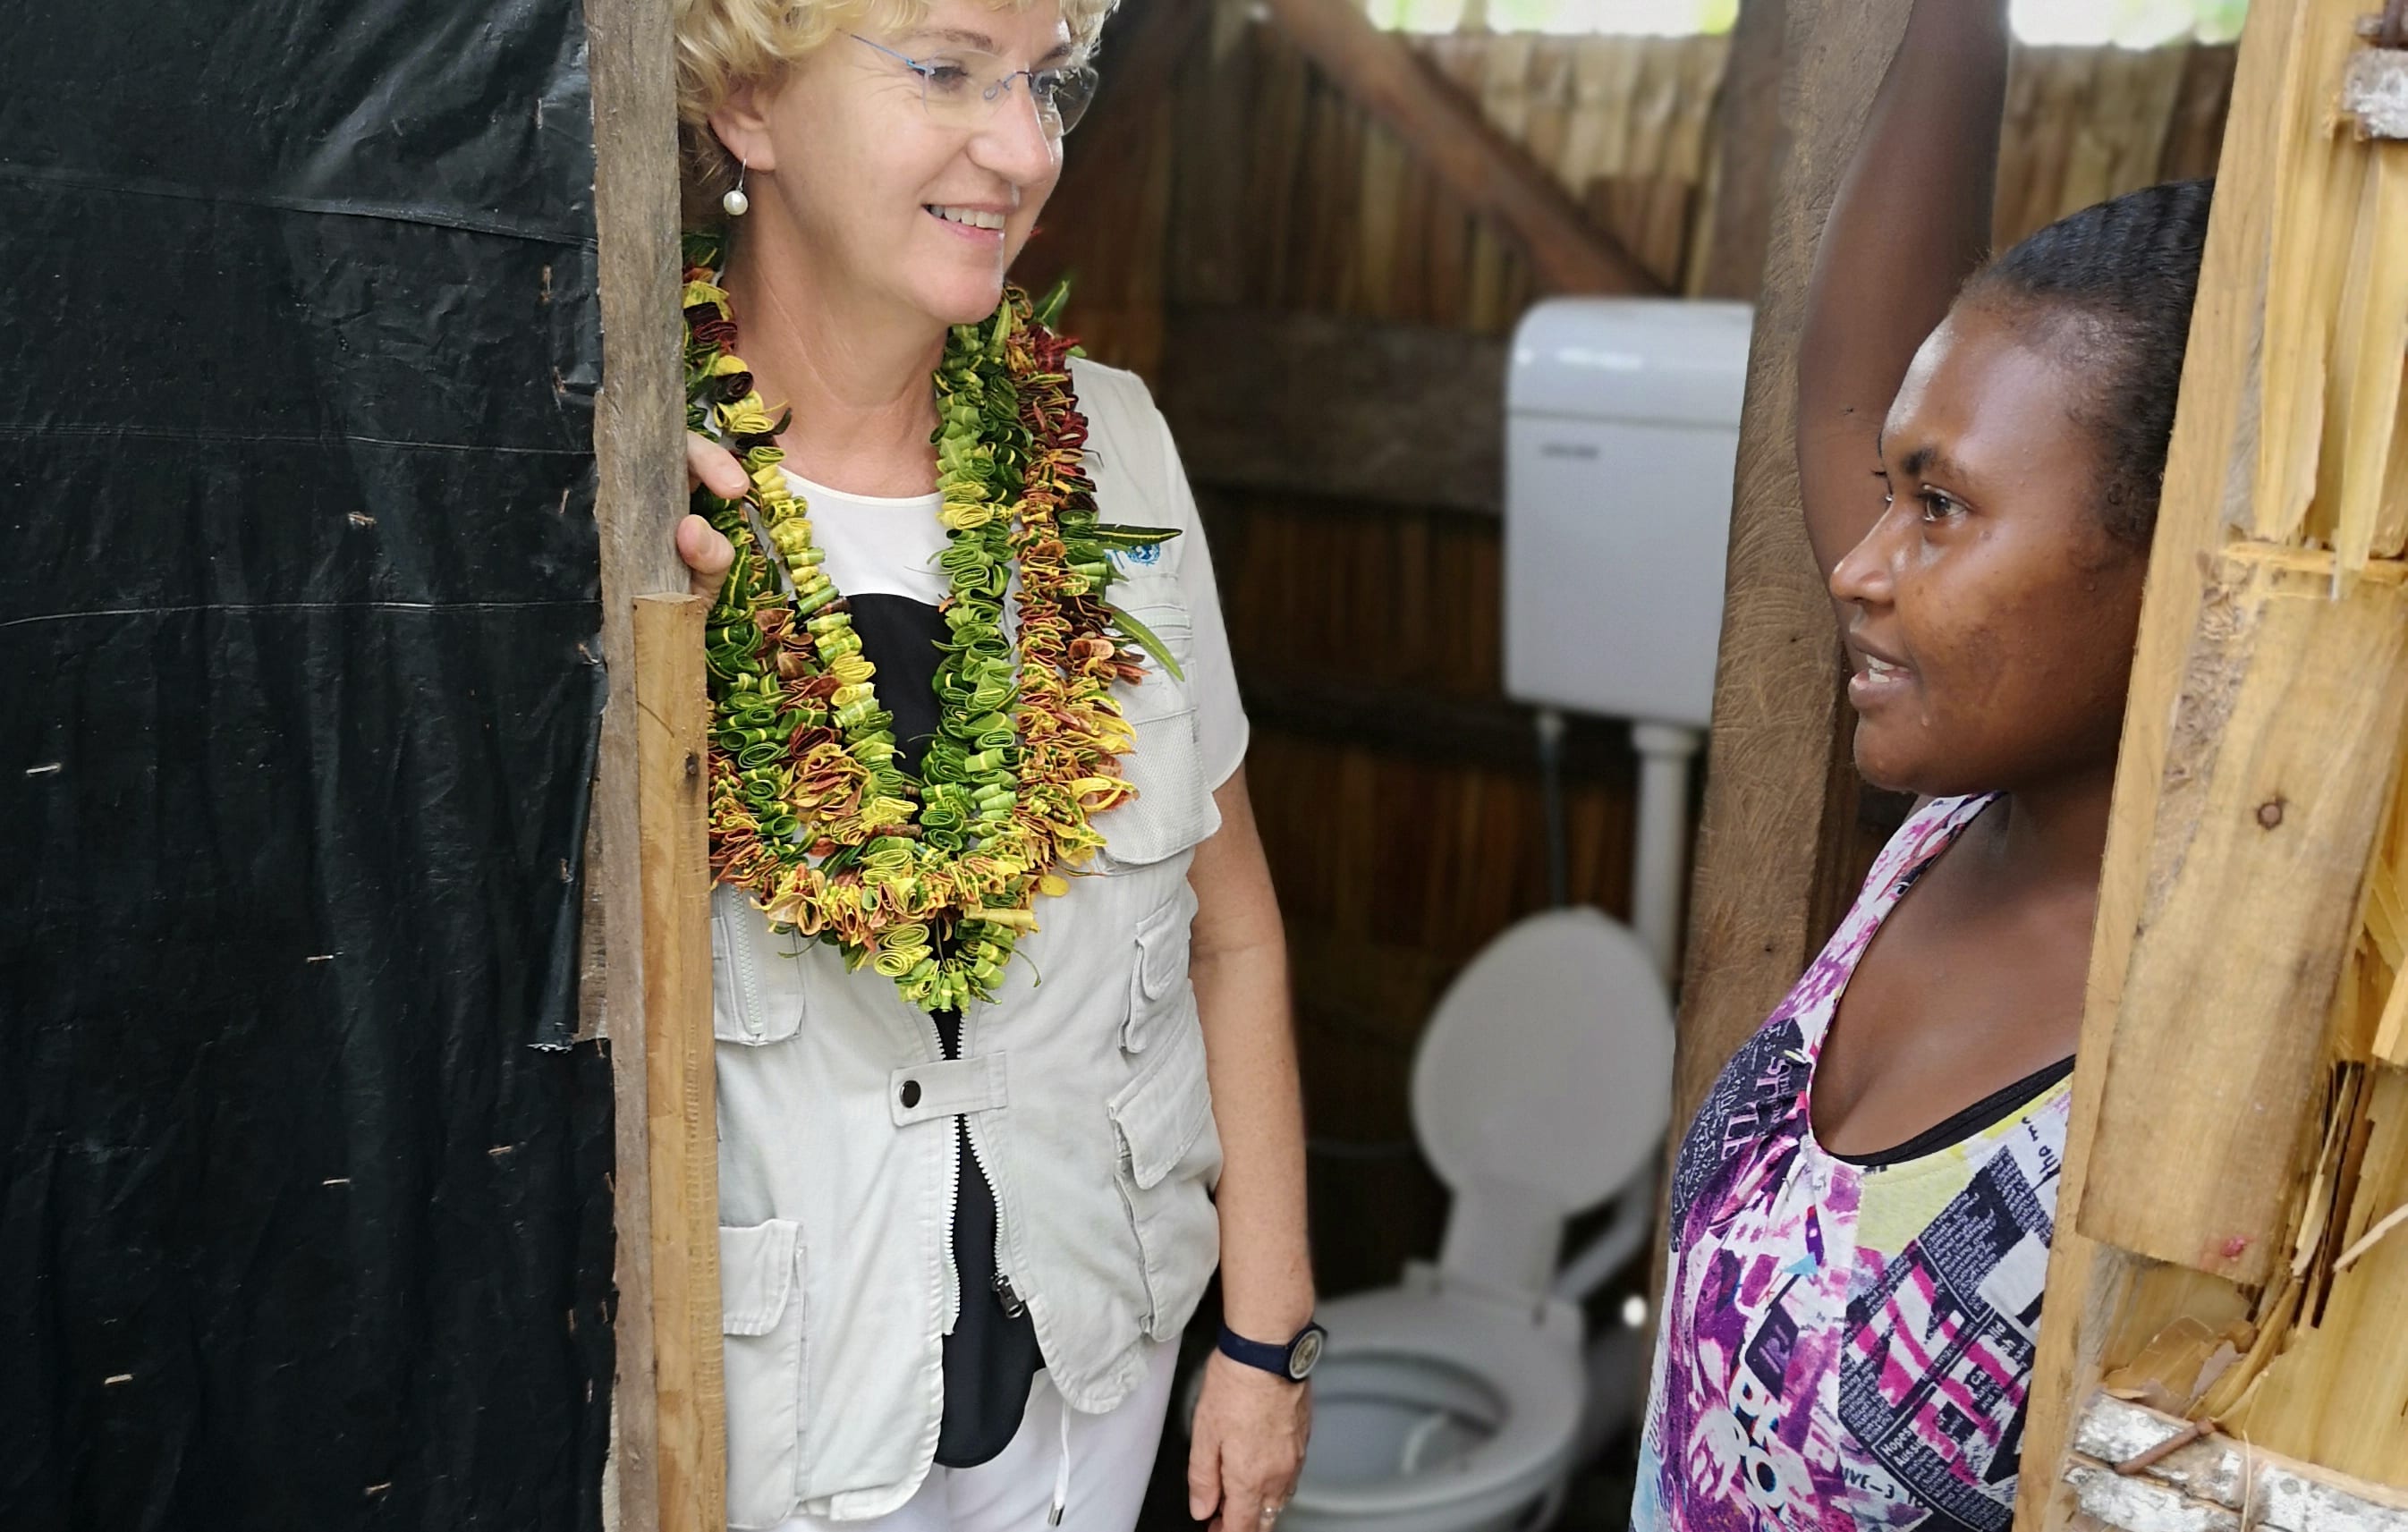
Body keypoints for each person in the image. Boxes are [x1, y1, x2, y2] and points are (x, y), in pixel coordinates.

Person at [666, 1, 1318, 1528]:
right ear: (748, 97)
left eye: (1046, 84)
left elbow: (1234, 930)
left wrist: (1267, 1334)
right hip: (782, 1424)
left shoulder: (1119, 451)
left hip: (1096, 1387)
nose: (1025, 150)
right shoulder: (622, 482)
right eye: (948, 70)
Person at [1635, 0, 2214, 1523]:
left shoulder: (2217, 1052)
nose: (1861, 564)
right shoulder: (1953, 814)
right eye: (1889, 488)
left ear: (2173, 560)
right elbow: (1846, 369)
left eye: (1940, 506)